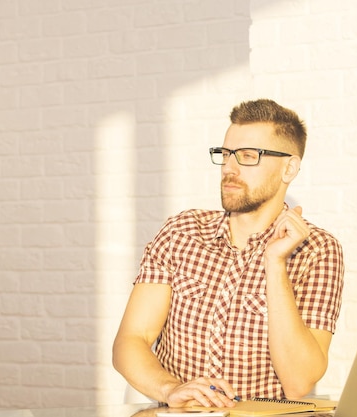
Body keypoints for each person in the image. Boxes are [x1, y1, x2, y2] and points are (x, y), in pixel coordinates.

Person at [112, 98, 344, 409]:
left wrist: (274, 263)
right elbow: (131, 340)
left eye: (249, 156)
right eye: (225, 154)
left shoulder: (317, 250)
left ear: (289, 168)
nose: (229, 169)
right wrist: (171, 390)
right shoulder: (182, 231)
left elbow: (299, 382)